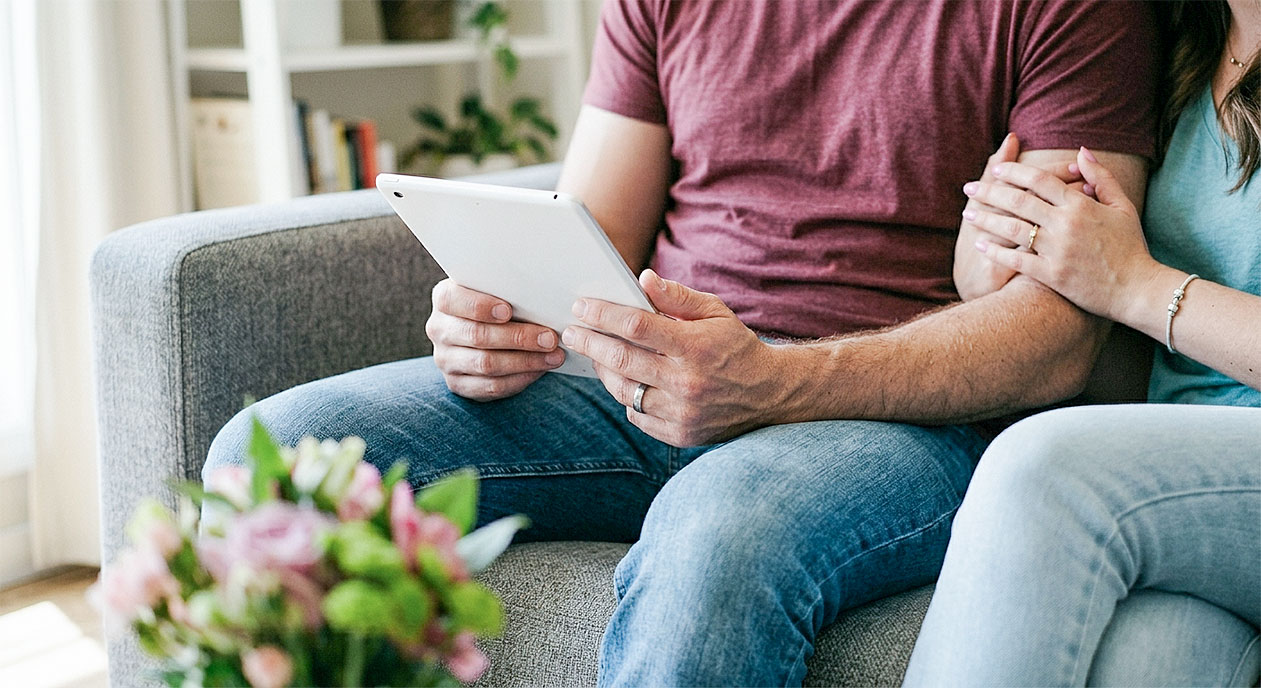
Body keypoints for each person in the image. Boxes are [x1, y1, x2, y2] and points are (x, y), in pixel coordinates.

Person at [203, 1, 1161, 684]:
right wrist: (488, 318)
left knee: (717, 537)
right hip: (641, 375)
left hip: (893, 411)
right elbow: (590, 232)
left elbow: (1056, 335)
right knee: (280, 460)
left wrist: (773, 382)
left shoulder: (1075, 11)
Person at [904, 0, 1261, 684]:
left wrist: (1135, 285)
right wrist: (1018, 272)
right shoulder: (1181, 51)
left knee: (1039, 470)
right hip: (1198, 493)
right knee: (1146, 658)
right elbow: (1169, 377)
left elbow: (1139, 293)